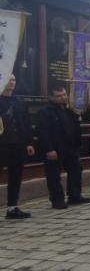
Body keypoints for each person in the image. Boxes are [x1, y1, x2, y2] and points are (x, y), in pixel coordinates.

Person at [37, 85, 88, 209]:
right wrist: (49, 149)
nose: (63, 97)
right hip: (55, 148)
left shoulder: (70, 110)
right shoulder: (45, 111)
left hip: (71, 147)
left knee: (75, 170)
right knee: (54, 175)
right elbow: (43, 132)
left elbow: (77, 123)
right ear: (51, 97)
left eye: (64, 94)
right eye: (59, 96)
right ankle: (57, 200)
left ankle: (74, 195)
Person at [1, 74, 35, 219]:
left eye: (14, 80)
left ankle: (12, 208)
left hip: (18, 144)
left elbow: (26, 123)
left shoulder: (19, 101)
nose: (12, 82)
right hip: (2, 144)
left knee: (15, 175)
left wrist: (29, 143)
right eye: (9, 79)